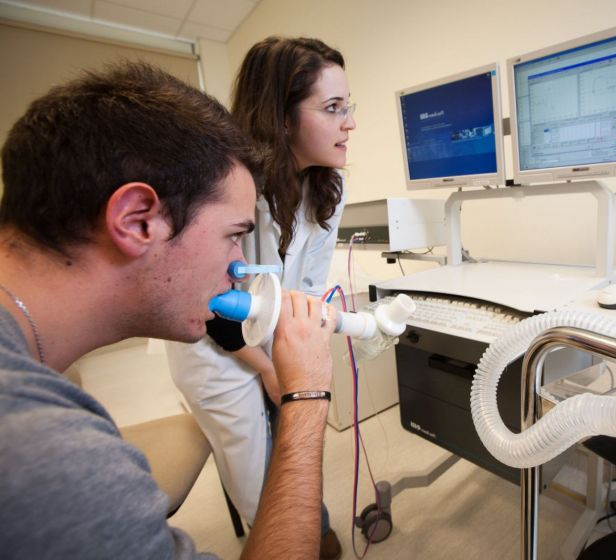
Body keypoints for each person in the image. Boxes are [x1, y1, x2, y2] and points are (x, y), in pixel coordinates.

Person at [0, 61, 336, 559]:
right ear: (137, 221)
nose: (240, 269)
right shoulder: (47, 456)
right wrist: (307, 395)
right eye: (233, 238)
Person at [165, 37, 355, 559]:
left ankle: (310, 526)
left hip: (270, 332)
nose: (350, 123)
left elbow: (308, 287)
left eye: (348, 107)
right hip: (215, 350)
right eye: (333, 108)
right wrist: (272, 372)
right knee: (257, 479)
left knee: (293, 444)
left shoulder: (328, 186)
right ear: (284, 118)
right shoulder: (228, 190)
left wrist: (303, 347)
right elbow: (211, 308)